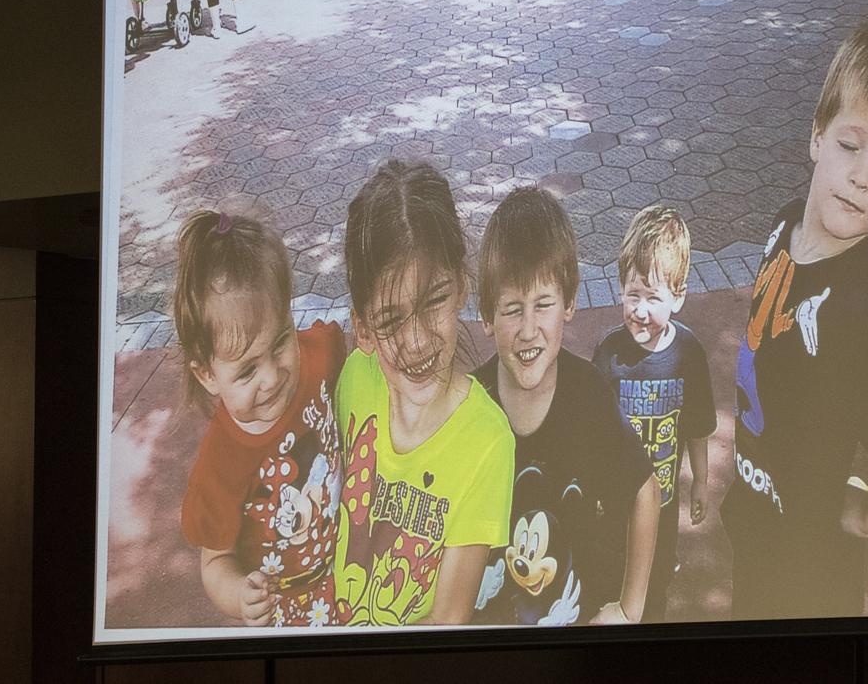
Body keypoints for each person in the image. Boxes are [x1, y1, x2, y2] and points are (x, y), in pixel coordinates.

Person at [722, 15, 868, 620]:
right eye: (850, 146)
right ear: (817, 136)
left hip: (807, 578)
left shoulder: (860, 322)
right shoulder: (784, 225)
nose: (861, 175)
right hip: (756, 526)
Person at [333, 159, 515, 627]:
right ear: (363, 330)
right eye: (391, 320)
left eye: (433, 300)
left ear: (461, 287)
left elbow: (448, 620)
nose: (416, 341)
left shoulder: (489, 441)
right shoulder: (354, 377)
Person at [472, 187, 660, 626]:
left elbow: (645, 490)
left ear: (570, 303)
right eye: (511, 309)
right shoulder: (471, 403)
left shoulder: (589, 394)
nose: (528, 328)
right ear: (486, 316)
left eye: (543, 305)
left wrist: (631, 609)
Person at [177, 210, 346, 627]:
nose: (272, 377)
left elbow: (352, 349)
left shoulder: (319, 355)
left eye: (281, 341)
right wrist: (239, 596)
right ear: (207, 373)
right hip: (283, 612)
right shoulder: (219, 461)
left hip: (348, 576)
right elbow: (215, 561)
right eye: (247, 370)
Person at [592, 205, 716, 622]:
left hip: (662, 506)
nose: (640, 311)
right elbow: (593, 430)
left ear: (678, 297)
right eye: (633, 295)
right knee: (609, 585)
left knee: (654, 590)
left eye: (653, 298)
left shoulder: (689, 355)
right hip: (612, 504)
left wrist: (700, 480)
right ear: (620, 289)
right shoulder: (609, 354)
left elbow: (697, 428)